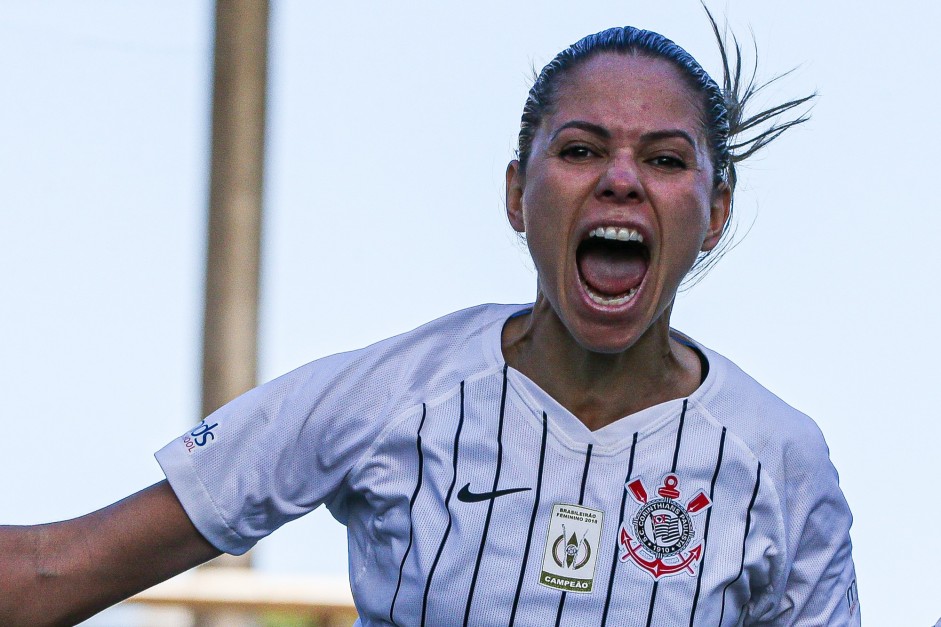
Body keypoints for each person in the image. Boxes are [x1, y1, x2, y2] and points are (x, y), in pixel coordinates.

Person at [0, 13, 858, 627]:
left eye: (665, 159)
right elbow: (50, 570)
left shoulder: (779, 458)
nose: (620, 180)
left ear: (713, 213)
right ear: (520, 194)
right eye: (581, 149)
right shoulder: (391, 395)